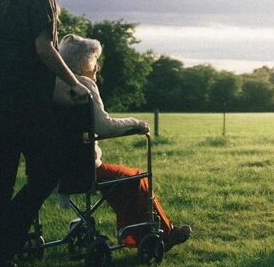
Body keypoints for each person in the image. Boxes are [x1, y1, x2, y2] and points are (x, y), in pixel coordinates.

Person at [0, 0, 91, 267]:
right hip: (23, 106)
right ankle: (3, 248)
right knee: (44, 176)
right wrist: (74, 82)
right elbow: (44, 48)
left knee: (1, 181)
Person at [52, 34, 192, 251]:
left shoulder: (52, 84)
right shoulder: (84, 85)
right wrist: (135, 124)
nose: (97, 67)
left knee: (121, 181)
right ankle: (163, 233)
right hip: (83, 169)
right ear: (83, 63)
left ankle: (133, 236)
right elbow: (105, 126)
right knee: (135, 178)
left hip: (54, 170)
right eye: (94, 61)